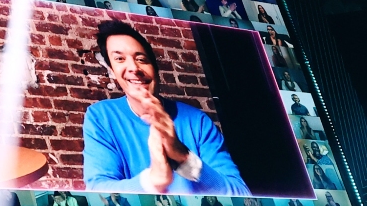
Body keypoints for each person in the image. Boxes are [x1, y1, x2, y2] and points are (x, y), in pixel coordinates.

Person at [82, 20, 248, 194]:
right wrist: (153, 180)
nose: (134, 68)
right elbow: (98, 190)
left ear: (155, 67)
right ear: (112, 70)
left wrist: (183, 156)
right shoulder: (101, 117)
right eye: (120, 59)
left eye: (141, 59)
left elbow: (242, 195)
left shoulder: (197, 121)